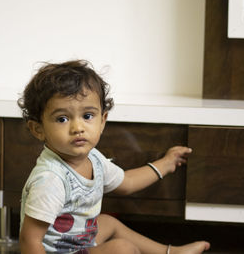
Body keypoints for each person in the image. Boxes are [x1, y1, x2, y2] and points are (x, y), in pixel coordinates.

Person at [17, 60, 210, 254]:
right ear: (38, 129)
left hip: (79, 241)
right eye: (62, 119)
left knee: (108, 223)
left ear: (102, 120)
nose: (78, 128)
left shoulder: (93, 158)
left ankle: (169, 252)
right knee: (122, 249)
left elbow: (127, 182)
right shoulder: (51, 180)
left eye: (87, 116)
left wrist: (165, 164)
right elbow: (30, 241)